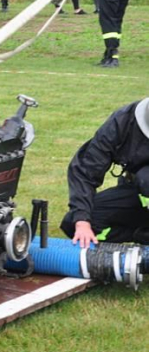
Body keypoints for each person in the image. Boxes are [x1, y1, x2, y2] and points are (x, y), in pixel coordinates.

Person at [60, 99, 149, 248]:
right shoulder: (122, 123)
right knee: (73, 222)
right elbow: (86, 171)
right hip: (135, 191)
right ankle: (142, 235)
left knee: (146, 178)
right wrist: (82, 221)